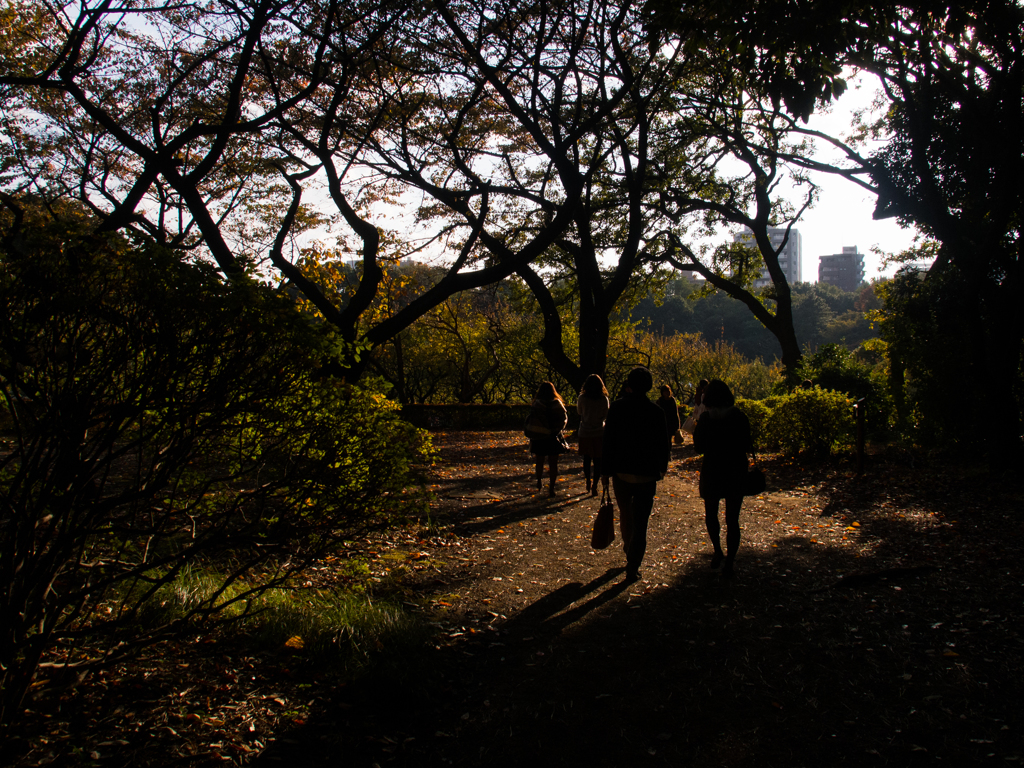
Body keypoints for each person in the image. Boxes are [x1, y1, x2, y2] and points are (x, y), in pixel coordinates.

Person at [601, 367, 670, 582]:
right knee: (642, 521)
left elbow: (608, 441)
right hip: (647, 474)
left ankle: (627, 546)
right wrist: (661, 468)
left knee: (625, 513)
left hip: (621, 471)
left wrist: (605, 471)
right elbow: (663, 444)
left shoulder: (617, 408)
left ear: (629, 384)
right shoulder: (656, 412)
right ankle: (633, 563)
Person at [692, 379, 753, 579]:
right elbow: (747, 443)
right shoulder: (739, 416)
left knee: (712, 514)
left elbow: (699, 448)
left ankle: (718, 550)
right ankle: (730, 562)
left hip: (712, 469)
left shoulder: (706, 419)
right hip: (735, 469)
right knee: (733, 519)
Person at [528, 381, 569, 497]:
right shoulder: (557, 404)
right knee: (553, 463)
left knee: (539, 461)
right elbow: (564, 420)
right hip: (553, 437)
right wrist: (555, 429)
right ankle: (551, 487)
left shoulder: (537, 404)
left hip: (539, 437)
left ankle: (539, 481)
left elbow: (532, 420)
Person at [577, 374, 610, 497]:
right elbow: (606, 414)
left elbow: (579, 412)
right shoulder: (603, 399)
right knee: (598, 461)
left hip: (585, 432)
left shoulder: (582, 398)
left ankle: (587, 481)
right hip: (599, 432)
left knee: (586, 459)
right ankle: (595, 485)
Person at [656, 384, 681, 449]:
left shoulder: (672, 400)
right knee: (665, 438)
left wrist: (677, 424)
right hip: (663, 422)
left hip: (671, 422)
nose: (667, 393)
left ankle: (668, 452)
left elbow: (675, 412)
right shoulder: (659, 401)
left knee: (669, 437)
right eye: (665, 391)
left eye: (667, 391)